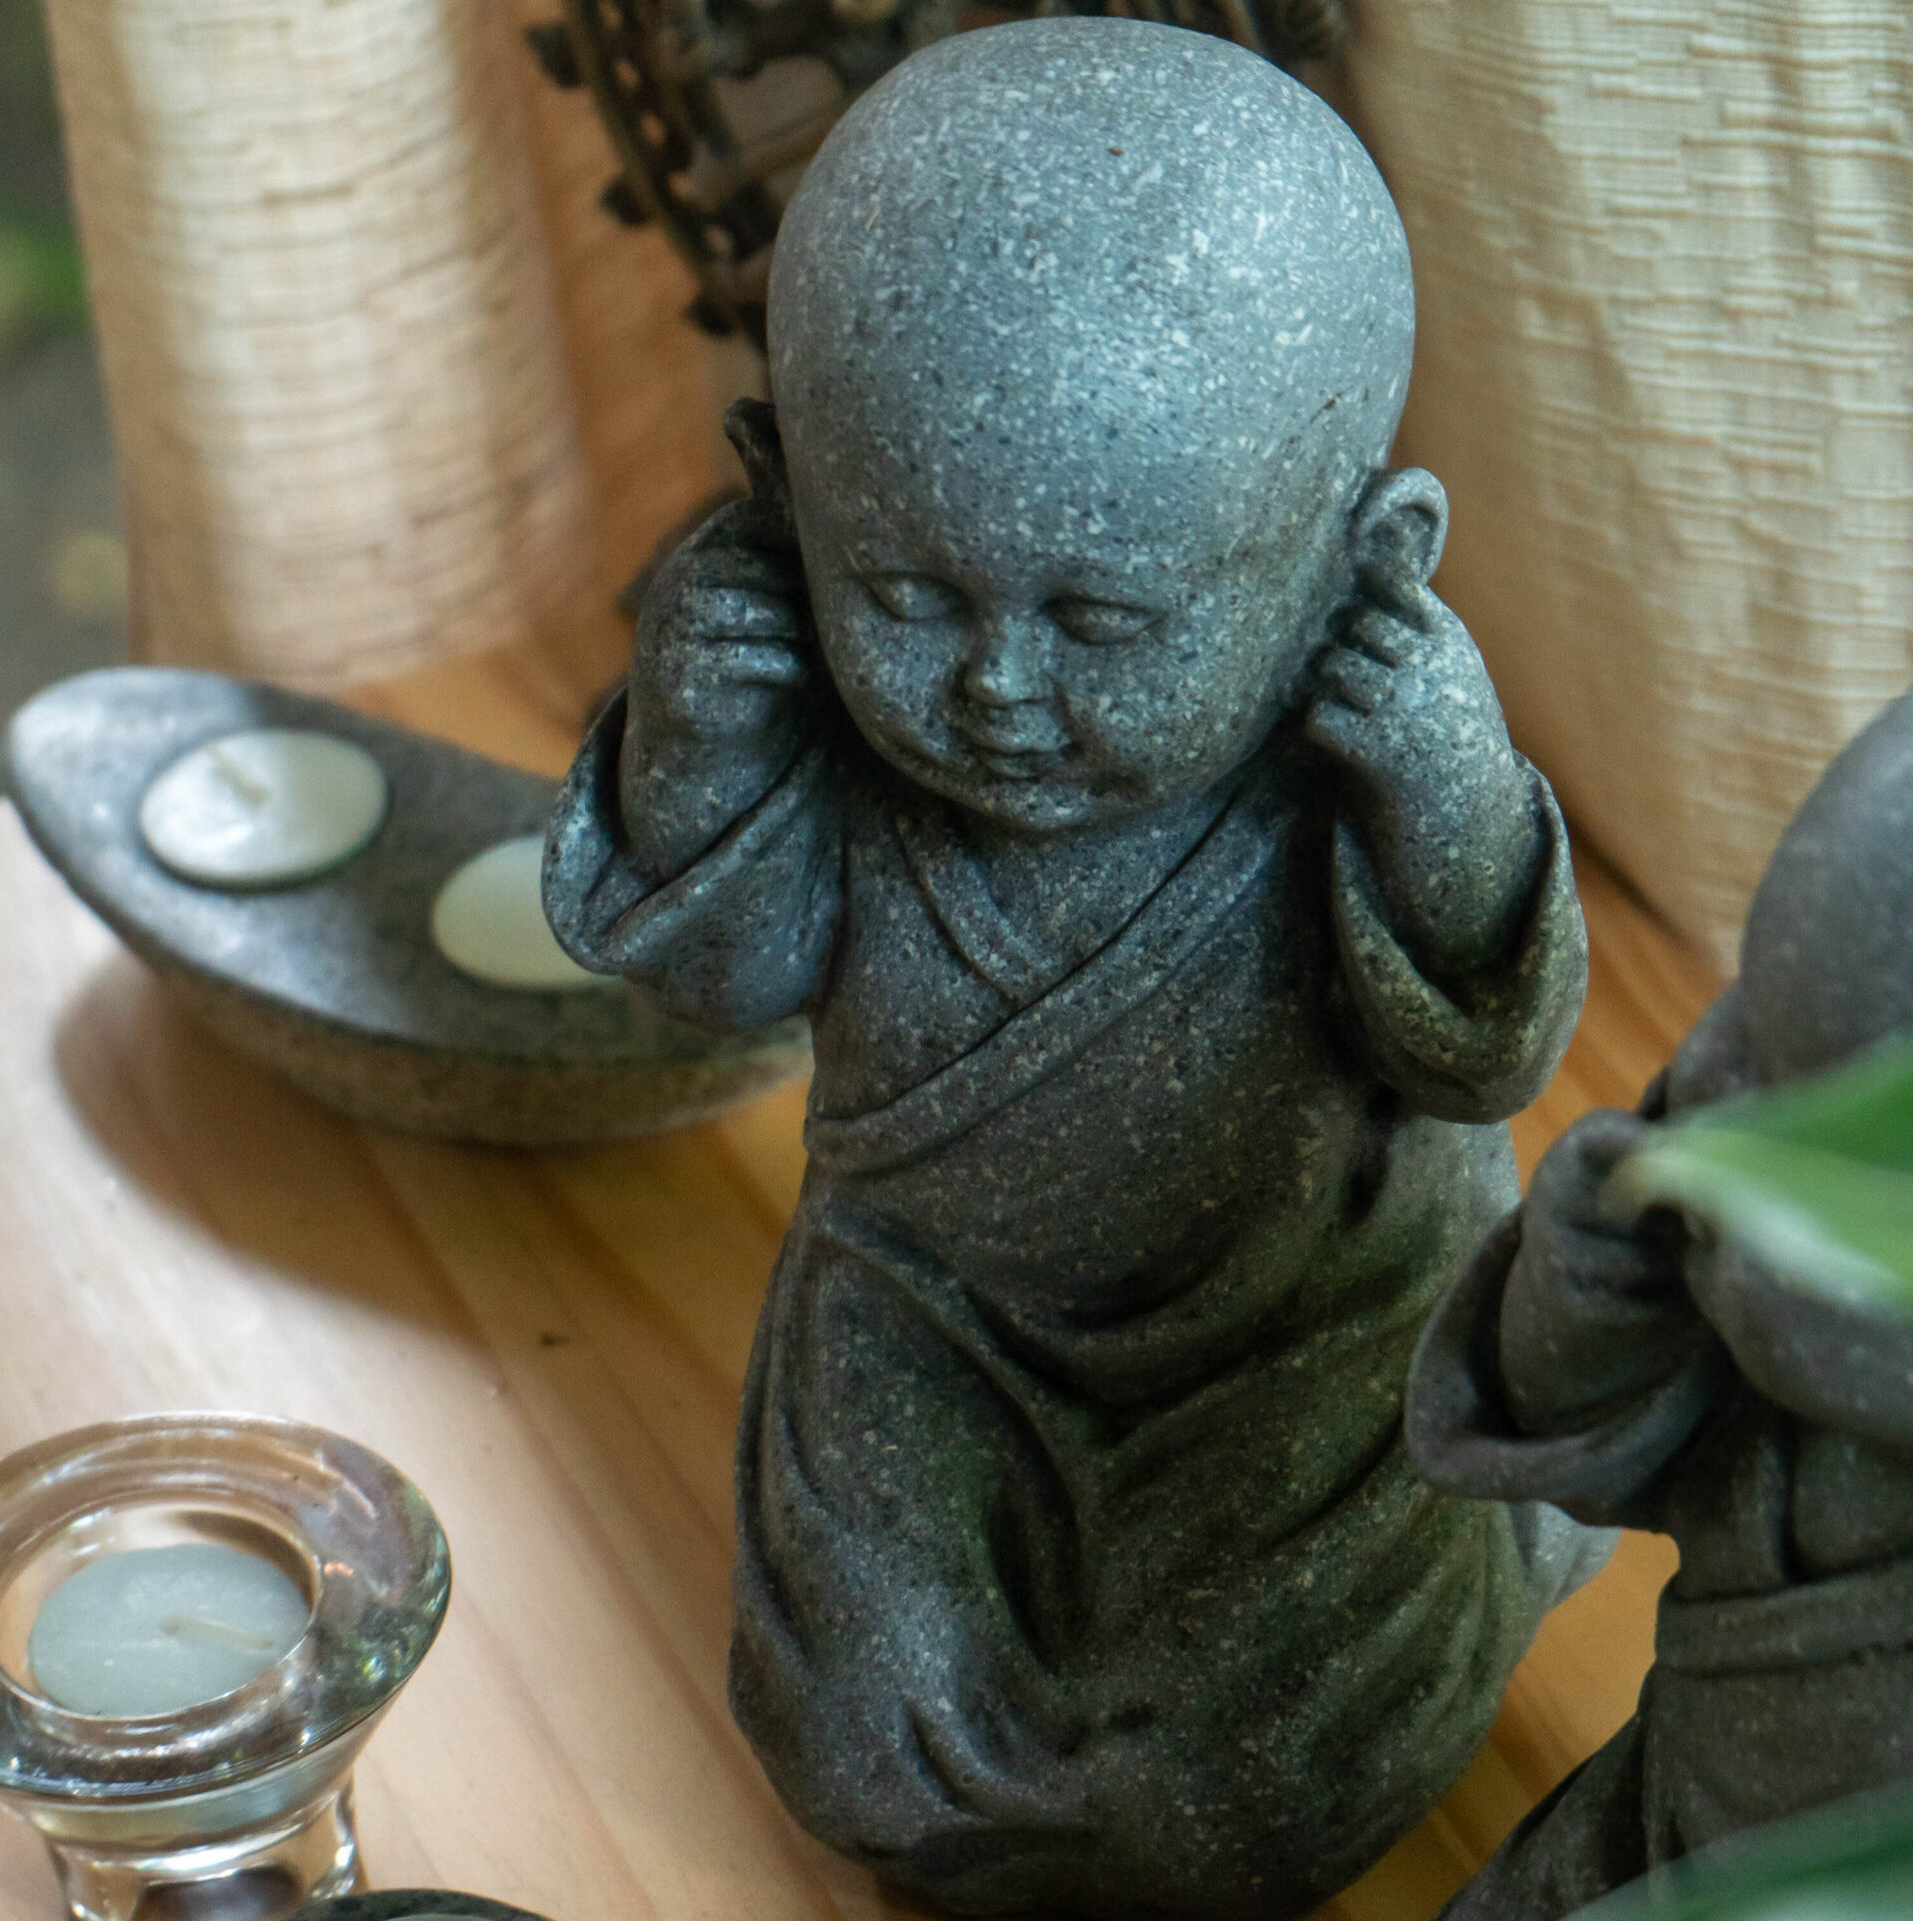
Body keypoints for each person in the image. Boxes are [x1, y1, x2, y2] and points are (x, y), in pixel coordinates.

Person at [547, 20, 1600, 1917]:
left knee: (1238, 1790)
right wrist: (693, 743)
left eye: (1104, 617)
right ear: (787, 500)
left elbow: (1477, 1058)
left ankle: (1490, 1547)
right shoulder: (863, 761)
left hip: (1304, 1327)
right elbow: (713, 980)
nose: (999, 687)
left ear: (1359, 562)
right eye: (905, 593)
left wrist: (1448, 800)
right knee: (867, 1743)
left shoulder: (1338, 760)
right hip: (924, 1324)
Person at [1410, 616, 1913, 1921]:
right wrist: (1590, 1282)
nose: (1744, 1144)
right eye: (1753, 1037)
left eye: (1869, 1167)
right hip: (1661, 1833)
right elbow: (1561, 1448)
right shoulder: (1732, 1216)